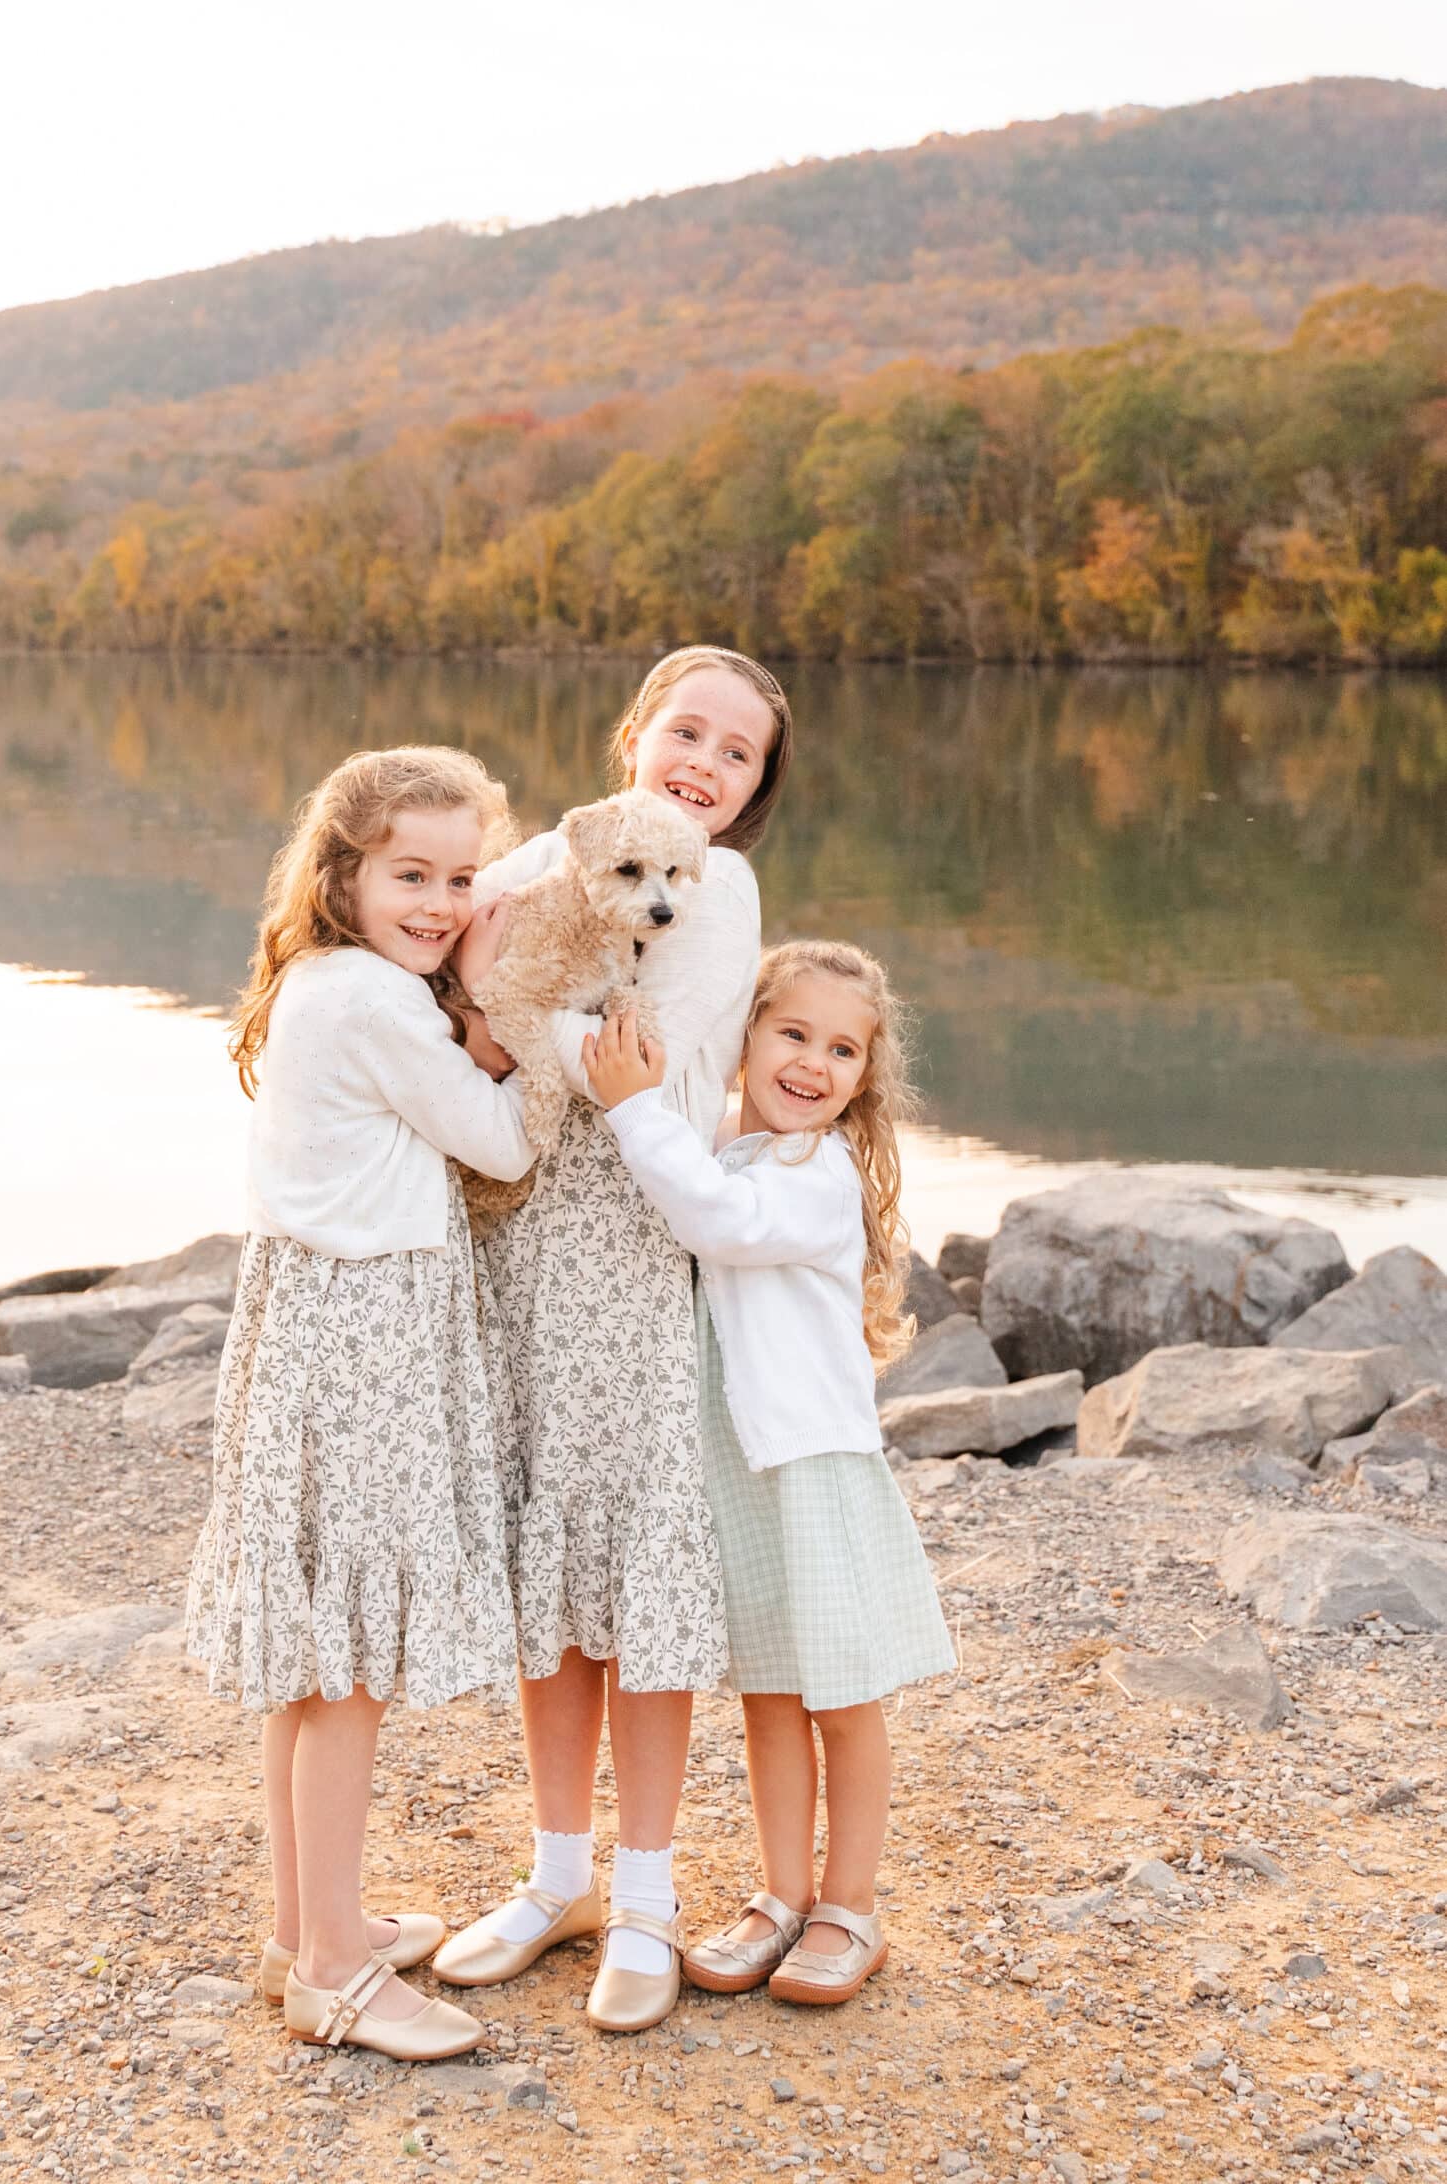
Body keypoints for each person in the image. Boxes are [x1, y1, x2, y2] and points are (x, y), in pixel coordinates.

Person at [433, 647, 793, 2032]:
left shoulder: (714, 884)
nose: (703, 762)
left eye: (736, 752)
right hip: (525, 1233)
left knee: (634, 1563)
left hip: (635, 1239)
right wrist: (487, 999)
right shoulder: (558, 850)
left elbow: (626, 1045)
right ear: (633, 736)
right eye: (684, 732)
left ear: (753, 789)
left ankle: (644, 1891)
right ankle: (558, 1873)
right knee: (550, 1559)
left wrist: (499, 1012)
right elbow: (463, 950)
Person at [183, 746, 533, 2062]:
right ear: (344, 874)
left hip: (320, 1330)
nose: (439, 903)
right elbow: (498, 1141)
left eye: (460, 879)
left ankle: (302, 1929)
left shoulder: (325, 985)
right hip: (365, 1345)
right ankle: (331, 1971)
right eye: (411, 875)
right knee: (349, 1669)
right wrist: (497, 1010)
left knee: (317, 1659)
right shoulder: (380, 1005)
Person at [582, 938, 954, 2006]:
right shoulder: (728, 1143)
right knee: (769, 1694)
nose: (812, 1062)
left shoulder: (813, 1172)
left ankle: (849, 1904)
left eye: (840, 1049)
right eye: (791, 1032)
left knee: (841, 1695)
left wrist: (631, 1107)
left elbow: (713, 1222)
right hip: (739, 1466)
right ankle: (780, 1892)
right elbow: (691, 1193)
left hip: (811, 1461)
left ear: (861, 1078)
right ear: (741, 1039)